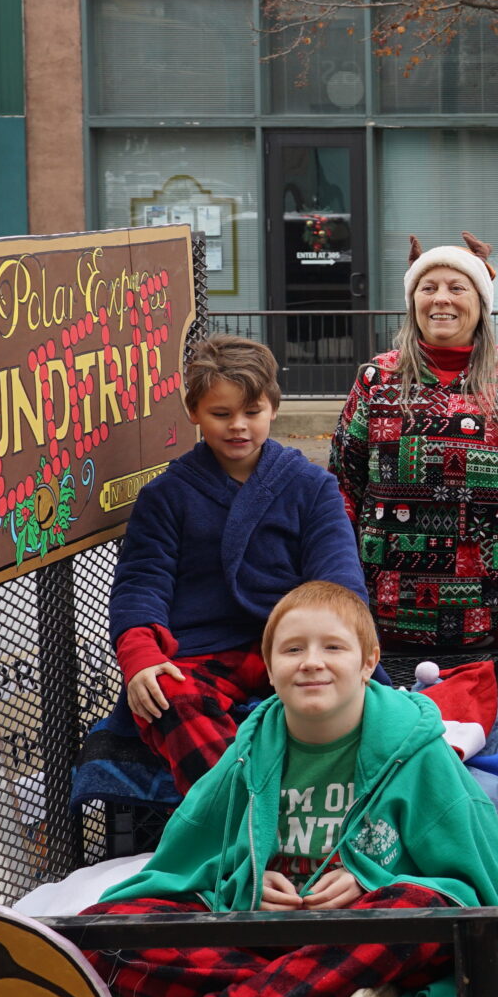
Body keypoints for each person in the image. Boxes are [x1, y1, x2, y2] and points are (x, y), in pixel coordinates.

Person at [83, 581, 498, 997]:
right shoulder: (249, 751)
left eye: (333, 647)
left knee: (418, 910)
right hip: (274, 935)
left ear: (368, 662)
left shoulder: (419, 752)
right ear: (269, 667)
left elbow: (476, 892)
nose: (311, 661)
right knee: (101, 931)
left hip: (367, 942)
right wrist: (246, 886)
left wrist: (373, 882)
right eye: (292, 649)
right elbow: (187, 864)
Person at [108, 335, 366, 791]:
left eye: (252, 413)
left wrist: (331, 649)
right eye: (220, 414)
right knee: (170, 696)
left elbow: (339, 582)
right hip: (203, 649)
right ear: (193, 413)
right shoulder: (166, 496)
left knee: (357, 703)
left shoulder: (313, 488)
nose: (238, 427)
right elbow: (141, 583)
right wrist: (140, 657)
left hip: (294, 641)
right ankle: (240, 812)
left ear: (273, 408)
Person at [331, 234, 498, 667]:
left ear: (480, 301)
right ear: (412, 299)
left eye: (457, 287)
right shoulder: (376, 380)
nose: (442, 299)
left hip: (497, 617)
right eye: (429, 287)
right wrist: (344, 583)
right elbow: (344, 486)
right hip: (386, 616)